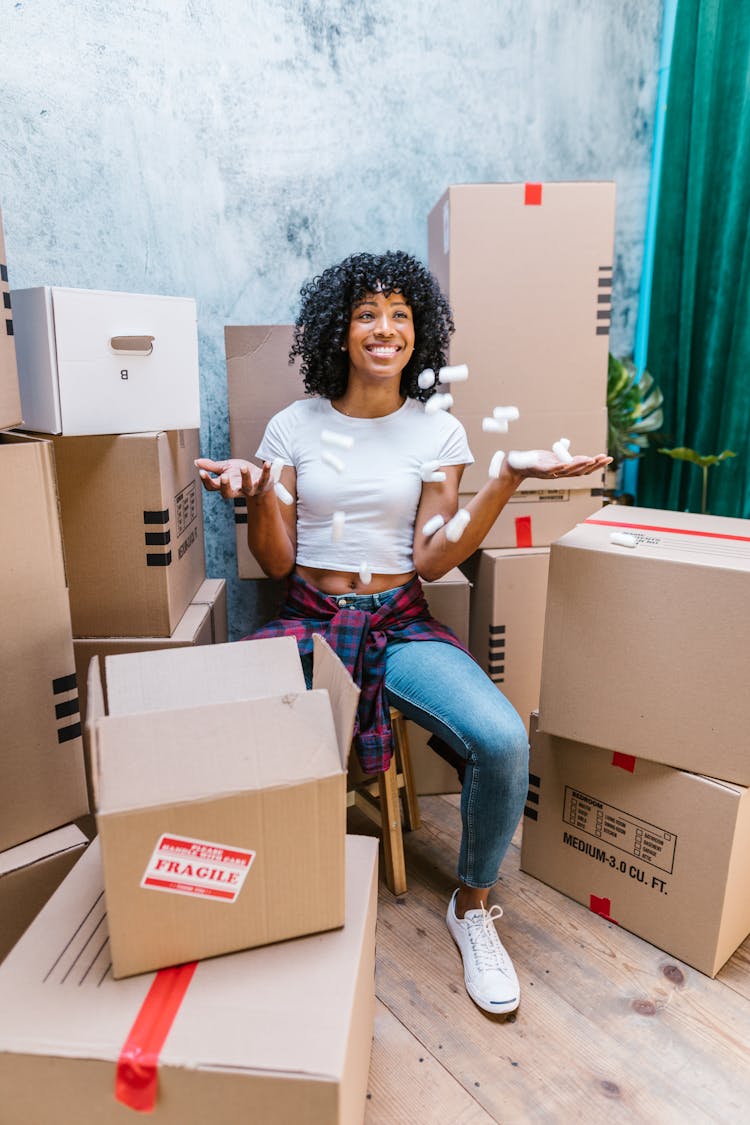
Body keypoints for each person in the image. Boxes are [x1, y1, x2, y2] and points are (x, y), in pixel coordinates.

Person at [197, 250, 610, 1016]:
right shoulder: (294, 425)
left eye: (401, 314)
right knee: (205, 710)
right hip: (311, 619)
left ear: (419, 331)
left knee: (503, 736)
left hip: (399, 625)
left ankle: (472, 905)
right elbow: (277, 557)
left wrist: (508, 475)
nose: (385, 328)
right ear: (339, 330)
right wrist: (256, 488)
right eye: (366, 313)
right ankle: (236, 889)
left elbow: (431, 554)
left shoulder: (438, 433)